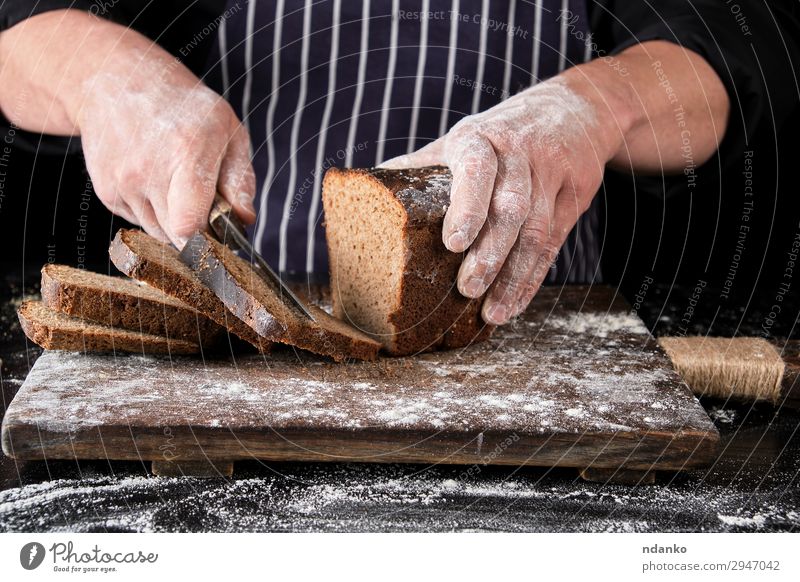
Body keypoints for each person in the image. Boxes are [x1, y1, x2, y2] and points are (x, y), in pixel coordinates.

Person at [0, 1, 798, 327]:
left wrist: (596, 105)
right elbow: (16, 41)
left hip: (531, 338)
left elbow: (729, 64)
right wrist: (96, 67)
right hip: (245, 341)